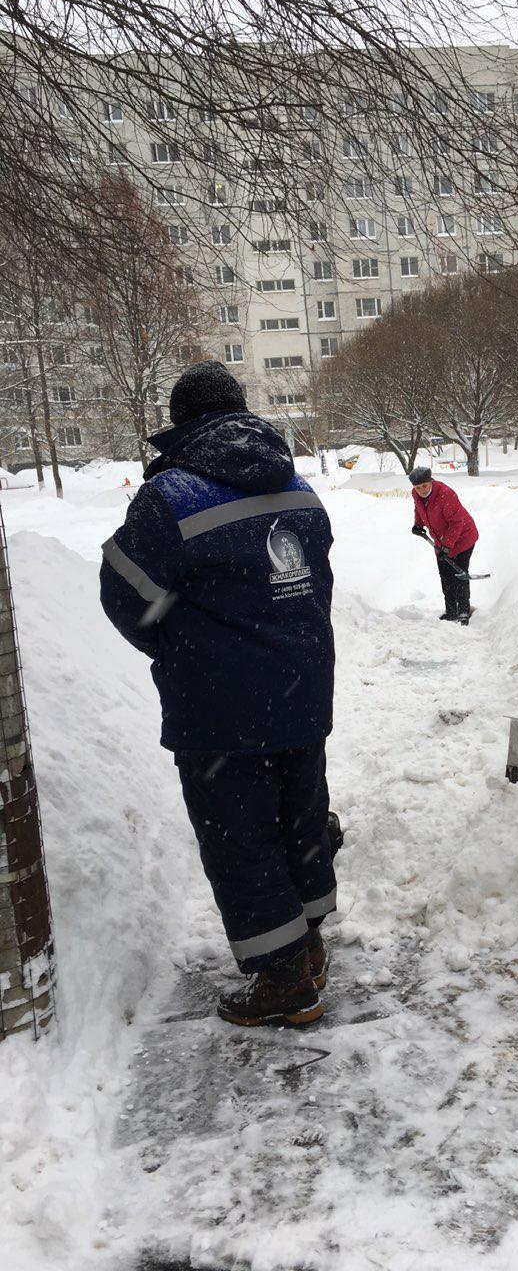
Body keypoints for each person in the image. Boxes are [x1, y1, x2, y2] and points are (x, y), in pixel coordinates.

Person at [100, 359, 339, 1028]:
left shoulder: (170, 496)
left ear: (182, 423)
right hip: (302, 689)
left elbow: (124, 595)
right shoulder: (297, 487)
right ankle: (311, 942)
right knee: (301, 815)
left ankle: (285, 982)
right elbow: (316, 585)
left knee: (241, 837)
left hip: (219, 706)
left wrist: (180, 651)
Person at [410, 466, 479, 625]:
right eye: (417, 487)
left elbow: (457, 523)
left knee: (459, 574)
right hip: (441, 541)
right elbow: (419, 509)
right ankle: (451, 611)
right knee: (445, 577)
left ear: (431, 481)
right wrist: (418, 524)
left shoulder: (445, 494)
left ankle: (463, 611)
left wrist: (447, 547)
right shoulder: (416, 494)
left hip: (463, 538)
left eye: (424, 486)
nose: (421, 490)